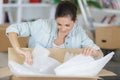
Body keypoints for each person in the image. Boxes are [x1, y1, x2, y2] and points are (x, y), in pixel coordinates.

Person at [6, 1, 103, 65]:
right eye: (59, 24)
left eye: (67, 25)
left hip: (64, 73)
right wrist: (18, 49)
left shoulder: (79, 31)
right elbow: (13, 29)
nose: (63, 29)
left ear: (75, 21)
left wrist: (93, 52)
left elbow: (100, 55)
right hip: (37, 69)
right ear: (55, 19)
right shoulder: (42, 25)